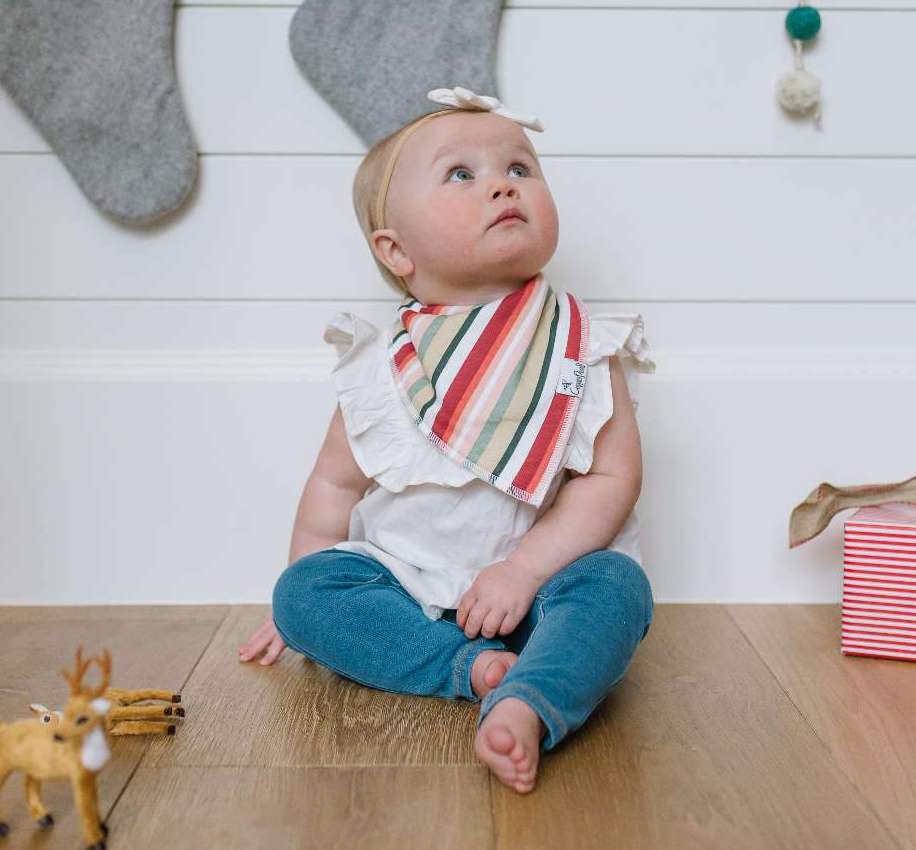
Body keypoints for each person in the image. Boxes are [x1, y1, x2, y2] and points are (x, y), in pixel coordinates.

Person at [238, 87, 656, 794]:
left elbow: (611, 481)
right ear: (394, 249)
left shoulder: (583, 347)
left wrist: (523, 571)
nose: (501, 183)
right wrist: (298, 614)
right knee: (304, 592)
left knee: (618, 587)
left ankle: (531, 698)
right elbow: (335, 487)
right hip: (408, 591)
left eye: (520, 167)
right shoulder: (380, 366)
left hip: (542, 592)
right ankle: (464, 668)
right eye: (461, 175)